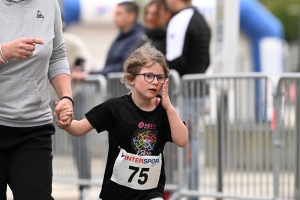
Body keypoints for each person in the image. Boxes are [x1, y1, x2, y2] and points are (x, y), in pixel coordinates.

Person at [56, 45, 188, 200]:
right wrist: (67, 124)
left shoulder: (164, 111)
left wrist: (169, 107)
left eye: (160, 77)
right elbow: (79, 128)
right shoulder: (115, 107)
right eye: (148, 76)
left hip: (151, 192)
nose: (154, 82)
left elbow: (182, 140)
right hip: (116, 193)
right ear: (131, 78)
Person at [0, 1, 73, 200]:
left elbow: (57, 55)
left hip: (33, 128)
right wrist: (4, 52)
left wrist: (66, 97)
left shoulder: (49, 4)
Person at [165, 0, 211, 199]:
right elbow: (206, 60)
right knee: (192, 140)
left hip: (185, 90)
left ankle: (188, 192)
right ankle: (190, 191)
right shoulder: (201, 20)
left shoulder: (180, 19)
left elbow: (175, 60)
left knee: (186, 142)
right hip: (199, 89)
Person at [62, 15, 94, 200]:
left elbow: (85, 62)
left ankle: (85, 186)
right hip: (45, 97)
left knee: (79, 141)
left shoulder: (72, 42)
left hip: (74, 95)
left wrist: (78, 71)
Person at [90, 1, 144, 76]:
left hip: (122, 86)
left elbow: (123, 66)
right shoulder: (120, 37)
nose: (114, 18)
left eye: (118, 14)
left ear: (131, 16)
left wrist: (92, 74)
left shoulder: (138, 39)